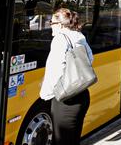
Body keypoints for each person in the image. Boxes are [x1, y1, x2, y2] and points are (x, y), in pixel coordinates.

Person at [40, 8, 93, 145]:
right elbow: (90, 60)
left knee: (61, 140)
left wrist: (46, 94)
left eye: (51, 22)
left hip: (66, 98)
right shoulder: (79, 36)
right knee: (73, 138)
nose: (50, 25)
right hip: (82, 94)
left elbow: (55, 71)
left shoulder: (60, 39)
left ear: (60, 24)